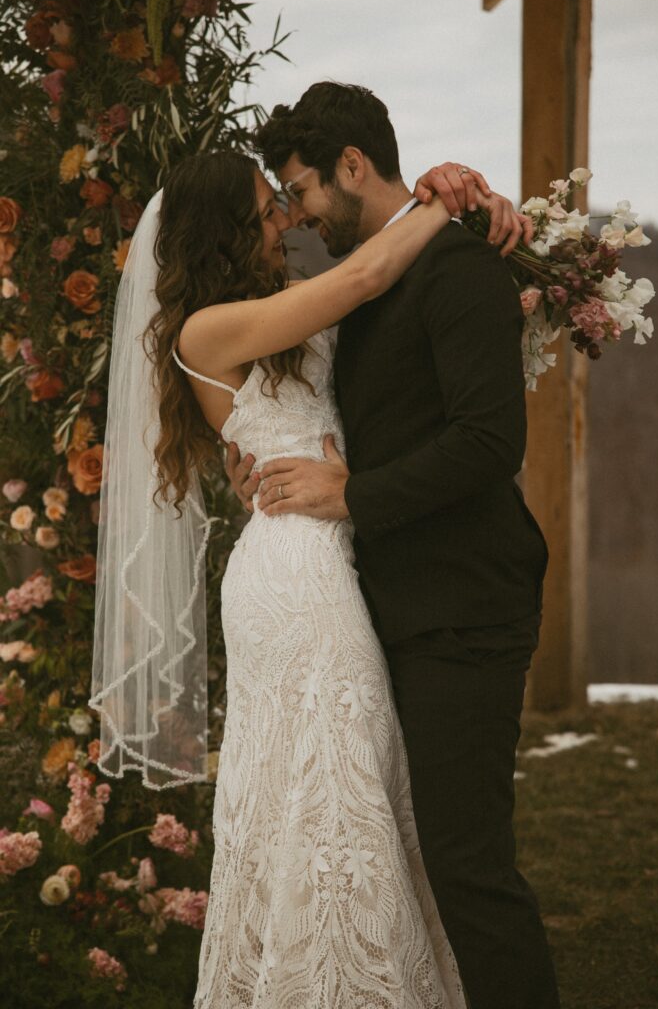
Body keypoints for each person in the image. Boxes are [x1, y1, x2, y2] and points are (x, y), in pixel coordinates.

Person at [90, 142, 528, 1008]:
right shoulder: (205, 330)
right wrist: (442, 199)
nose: (282, 220)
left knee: (345, 784)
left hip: (332, 547)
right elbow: (362, 281)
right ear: (222, 228)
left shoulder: (269, 310)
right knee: (333, 790)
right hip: (297, 572)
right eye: (265, 210)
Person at [226, 82, 561, 1009]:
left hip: (463, 605)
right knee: (413, 858)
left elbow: (491, 441)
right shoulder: (365, 274)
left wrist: (351, 494)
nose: (295, 214)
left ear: (352, 166)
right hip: (382, 607)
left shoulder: (455, 270)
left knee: (467, 866)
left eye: (300, 191)